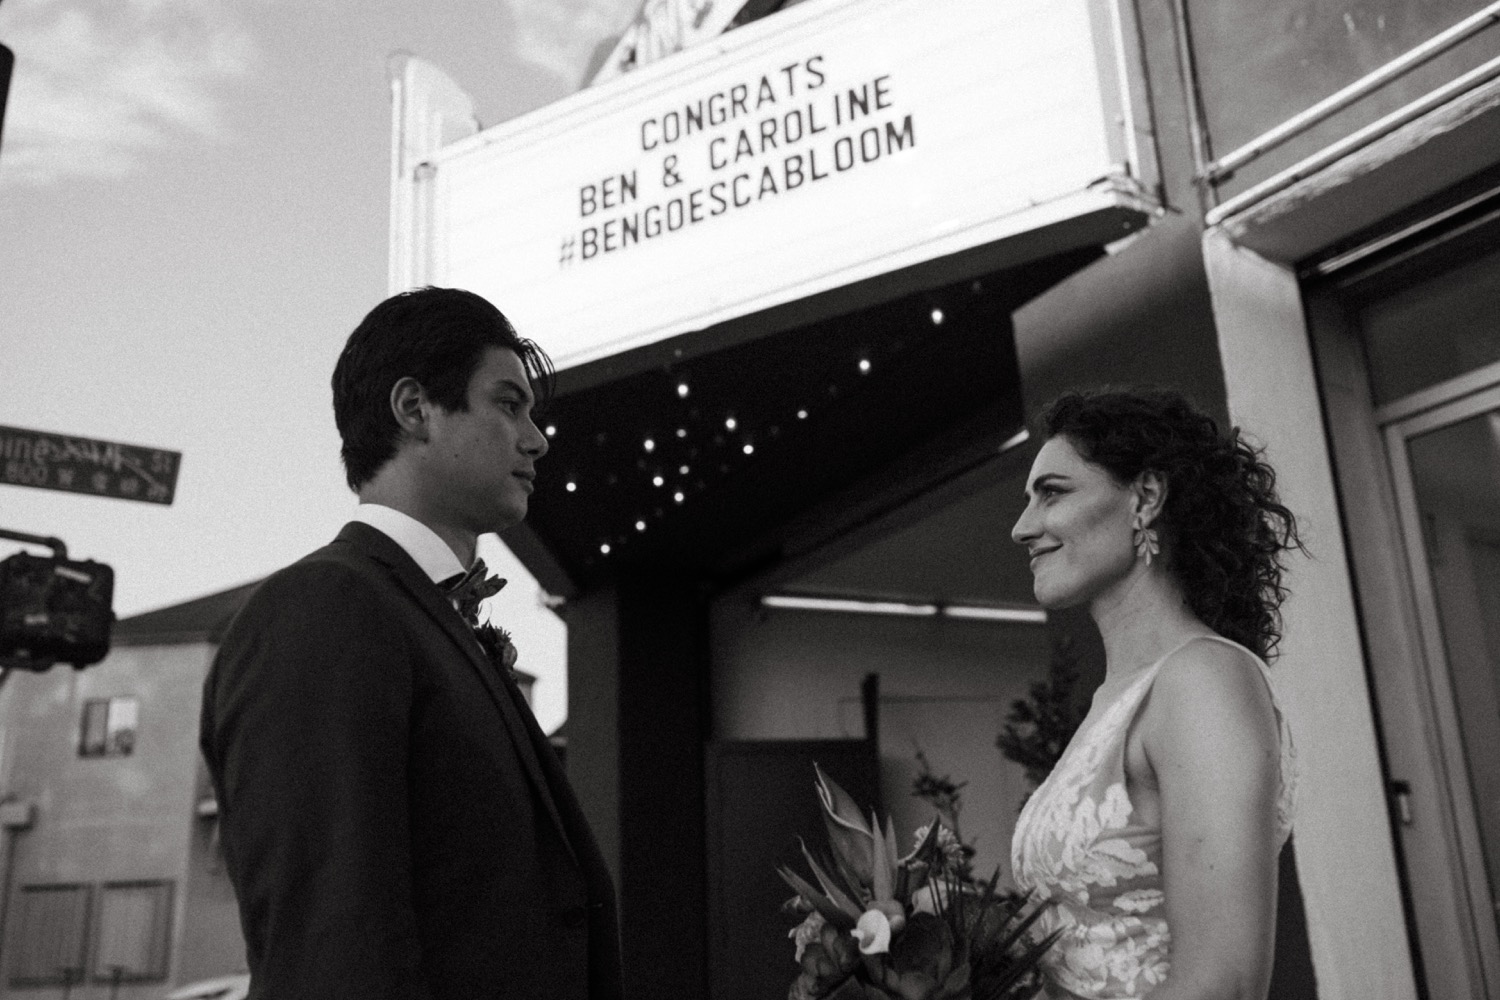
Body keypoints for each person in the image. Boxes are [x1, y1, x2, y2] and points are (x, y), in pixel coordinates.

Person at [200, 287, 623, 1000]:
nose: (537, 439)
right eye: (508, 404)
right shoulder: (324, 609)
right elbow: (335, 950)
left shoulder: (429, 618)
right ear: (414, 408)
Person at [1008, 388, 1299, 1000]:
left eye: (1052, 493)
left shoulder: (1202, 682)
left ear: (1145, 497)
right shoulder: (1112, 701)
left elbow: (1225, 984)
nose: (1022, 527)